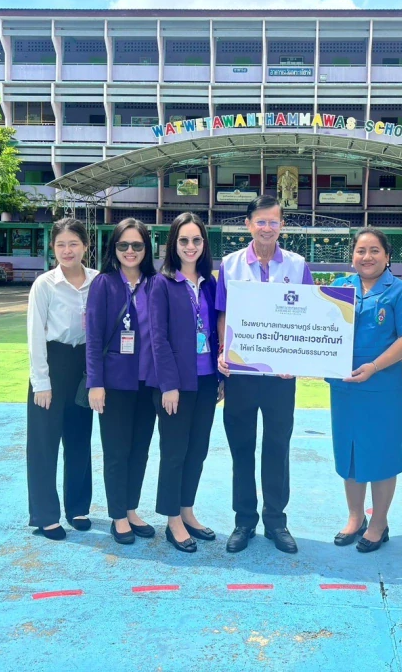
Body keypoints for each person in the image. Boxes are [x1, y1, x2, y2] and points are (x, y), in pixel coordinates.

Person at [216, 195, 314, 554]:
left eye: (274, 221)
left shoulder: (298, 265)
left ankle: (276, 520)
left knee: (277, 447)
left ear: (282, 225)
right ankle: (244, 521)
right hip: (240, 375)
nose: (267, 228)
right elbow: (222, 315)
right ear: (248, 224)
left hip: (280, 378)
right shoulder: (230, 265)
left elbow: (308, 316)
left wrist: (298, 359)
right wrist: (224, 353)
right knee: (241, 449)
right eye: (261, 221)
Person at [327, 228, 402, 552]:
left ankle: (378, 522)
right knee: (350, 454)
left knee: (382, 455)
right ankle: (356, 518)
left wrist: (375, 366)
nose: (366, 257)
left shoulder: (401, 292)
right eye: (360, 251)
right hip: (344, 388)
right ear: (352, 256)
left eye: (374, 251)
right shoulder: (340, 289)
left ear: (387, 255)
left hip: (382, 387)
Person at [147, 213, 223, 553]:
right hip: (176, 384)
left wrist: (221, 377)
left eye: (196, 240)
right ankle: (171, 519)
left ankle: (187, 511)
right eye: (183, 240)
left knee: (198, 450)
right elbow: (157, 339)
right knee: (175, 451)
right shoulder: (161, 283)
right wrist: (168, 385)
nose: (190, 247)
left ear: (203, 245)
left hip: (207, 380)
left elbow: (221, 331)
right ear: (173, 245)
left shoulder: (211, 282)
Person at [85, 218, 158, 545]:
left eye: (137, 245)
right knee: (116, 451)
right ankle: (117, 514)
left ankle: (130, 508)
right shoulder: (104, 283)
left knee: (140, 450)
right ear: (113, 249)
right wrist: (95, 383)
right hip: (114, 384)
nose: (130, 251)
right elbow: (93, 336)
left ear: (147, 248)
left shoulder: (155, 283)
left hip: (148, 383)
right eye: (123, 245)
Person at [26, 218, 98, 541]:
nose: (67, 250)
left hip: (85, 365)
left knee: (80, 438)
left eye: (73, 244)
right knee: (44, 443)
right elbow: (34, 335)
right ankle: (45, 514)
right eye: (60, 245)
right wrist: (41, 381)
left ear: (85, 245)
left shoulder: (98, 282)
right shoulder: (44, 285)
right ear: (52, 248)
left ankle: (78, 507)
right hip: (52, 365)